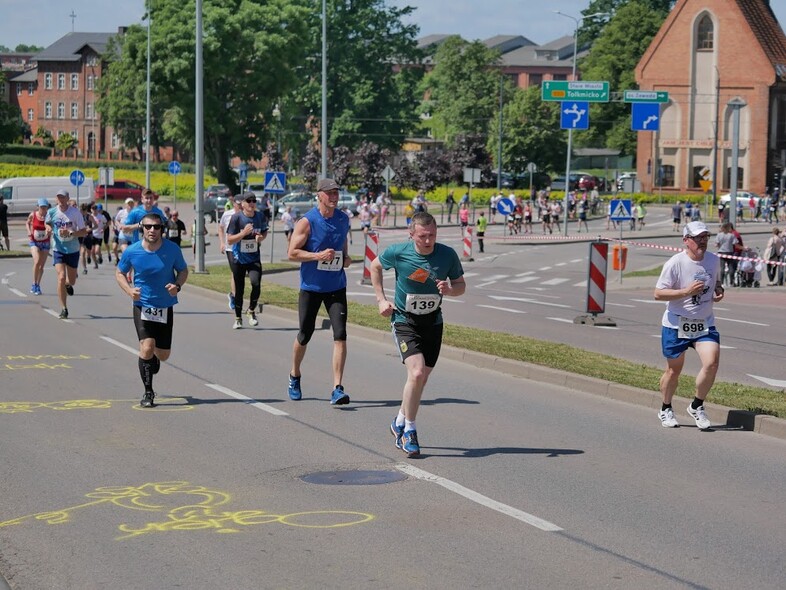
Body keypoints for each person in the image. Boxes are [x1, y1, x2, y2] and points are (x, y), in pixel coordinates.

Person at [370, 212, 466, 457]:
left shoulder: (447, 255)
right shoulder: (399, 252)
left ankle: (399, 420)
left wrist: (450, 289)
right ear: (411, 234)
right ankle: (409, 431)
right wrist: (381, 300)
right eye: (423, 236)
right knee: (416, 372)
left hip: (433, 322)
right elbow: (375, 266)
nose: (428, 240)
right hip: (405, 320)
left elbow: (461, 285)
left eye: (432, 235)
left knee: (420, 380)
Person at [286, 177, 352, 405]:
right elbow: (292, 253)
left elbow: (342, 247)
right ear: (319, 195)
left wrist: (346, 258)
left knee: (340, 335)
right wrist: (317, 256)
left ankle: (337, 388)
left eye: (336, 193)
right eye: (329, 193)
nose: (334, 197)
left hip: (336, 286)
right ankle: (295, 375)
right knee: (305, 334)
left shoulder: (343, 219)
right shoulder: (307, 222)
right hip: (311, 288)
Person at [654, 221, 723, 430]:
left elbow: (716, 283)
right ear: (686, 241)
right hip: (676, 323)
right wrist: (685, 292)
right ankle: (665, 408)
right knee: (674, 371)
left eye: (705, 237)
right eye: (697, 237)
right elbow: (658, 293)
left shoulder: (713, 260)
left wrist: (719, 291)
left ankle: (697, 405)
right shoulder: (675, 263)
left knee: (711, 363)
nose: (702, 241)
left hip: (704, 322)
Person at [116, 212, 188, 408]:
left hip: (165, 306)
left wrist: (177, 286)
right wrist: (130, 291)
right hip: (143, 306)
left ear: (161, 229)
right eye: (148, 227)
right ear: (142, 228)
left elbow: (183, 270)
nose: (152, 230)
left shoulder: (172, 249)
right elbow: (120, 272)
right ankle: (148, 392)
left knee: (163, 354)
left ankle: (155, 357)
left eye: (156, 227)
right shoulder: (132, 251)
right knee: (146, 347)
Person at [226, 191, 268, 329]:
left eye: (254, 201)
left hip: (254, 257)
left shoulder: (260, 216)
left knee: (256, 284)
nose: (251, 204)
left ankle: (251, 310)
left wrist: (260, 238)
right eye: (248, 201)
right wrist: (243, 233)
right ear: (242, 204)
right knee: (240, 289)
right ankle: (238, 318)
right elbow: (230, 239)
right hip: (239, 258)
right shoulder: (236, 218)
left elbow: (264, 231)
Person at [46, 189, 88, 319]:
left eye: (63, 198)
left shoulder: (75, 213)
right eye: (59, 198)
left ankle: (68, 285)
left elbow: (84, 232)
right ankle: (64, 308)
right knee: (61, 277)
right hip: (58, 248)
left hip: (73, 249)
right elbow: (47, 223)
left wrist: (71, 233)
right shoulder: (52, 212)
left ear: (68, 199)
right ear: (56, 199)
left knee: (71, 281)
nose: (61, 200)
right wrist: (48, 229)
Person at [218, 195, 243, 311]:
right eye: (238, 204)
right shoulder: (227, 214)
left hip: (243, 248)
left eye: (242, 204)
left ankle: (236, 294)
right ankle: (234, 295)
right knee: (235, 271)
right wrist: (222, 243)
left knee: (240, 272)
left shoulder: (247, 215)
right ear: (234, 204)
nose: (240, 206)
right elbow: (221, 227)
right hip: (230, 247)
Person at [26, 198, 52, 294]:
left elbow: (53, 226)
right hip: (34, 241)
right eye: (41, 207)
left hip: (45, 242)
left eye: (45, 207)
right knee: (37, 262)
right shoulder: (33, 214)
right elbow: (27, 223)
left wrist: (50, 231)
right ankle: (34, 283)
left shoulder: (49, 216)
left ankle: (38, 284)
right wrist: (29, 232)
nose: (43, 209)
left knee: (41, 266)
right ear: (38, 207)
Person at [714, 222, 738, 287]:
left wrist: (719, 245)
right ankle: (731, 282)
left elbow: (717, 244)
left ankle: (721, 282)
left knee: (722, 268)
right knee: (731, 267)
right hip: (729, 252)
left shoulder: (719, 235)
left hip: (721, 252)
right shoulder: (731, 235)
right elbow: (735, 244)